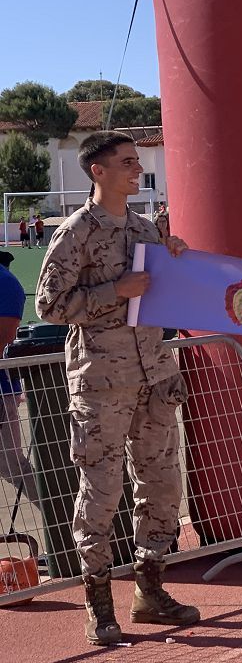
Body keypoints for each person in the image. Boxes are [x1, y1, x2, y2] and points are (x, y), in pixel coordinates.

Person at [36, 130, 199, 645]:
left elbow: (168, 291)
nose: (137, 170)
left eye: (138, 162)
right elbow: (48, 306)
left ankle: (150, 591)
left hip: (153, 377)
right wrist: (115, 291)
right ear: (97, 171)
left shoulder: (147, 230)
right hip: (102, 384)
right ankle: (98, 604)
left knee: (163, 488)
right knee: (101, 493)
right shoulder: (75, 233)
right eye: (127, 163)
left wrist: (174, 254)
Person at [0, 250, 37, 504]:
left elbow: (5, 336)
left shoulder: (6, 283)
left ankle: (64, 526)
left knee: (12, 466)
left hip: (1, 392)